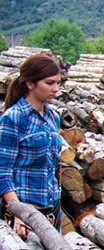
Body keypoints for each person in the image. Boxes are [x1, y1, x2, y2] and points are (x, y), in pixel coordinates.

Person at [0, 54, 63, 239]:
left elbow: (52, 168)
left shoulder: (53, 117)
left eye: (58, 83)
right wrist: (19, 212)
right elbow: (2, 171)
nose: (56, 89)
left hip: (51, 210)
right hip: (23, 217)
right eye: (49, 83)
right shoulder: (13, 119)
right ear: (30, 84)